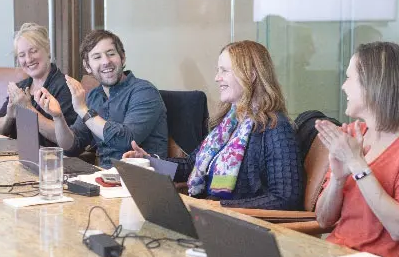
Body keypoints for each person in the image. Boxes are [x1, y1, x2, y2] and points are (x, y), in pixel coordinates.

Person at [123, 41, 302, 209]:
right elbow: (191, 164)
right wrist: (149, 161)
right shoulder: (229, 123)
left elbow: (285, 198)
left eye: (224, 71)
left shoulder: (276, 128)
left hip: (241, 226)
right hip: (211, 214)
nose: (217, 78)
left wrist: (219, 208)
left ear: (251, 75)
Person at [314, 41, 399, 257]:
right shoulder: (353, 133)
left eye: (350, 78)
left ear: (373, 84)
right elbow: (323, 220)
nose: (343, 86)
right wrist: (337, 179)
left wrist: (356, 164)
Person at [35, 29, 167, 167]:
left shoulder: (144, 91)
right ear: (87, 66)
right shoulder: (94, 96)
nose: (106, 61)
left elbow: (126, 140)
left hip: (141, 179)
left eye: (111, 54)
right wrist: (58, 117)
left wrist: (83, 109)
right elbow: (72, 147)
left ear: (122, 57)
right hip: (104, 178)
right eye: (97, 57)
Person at [0, 23, 77, 146]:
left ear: (47, 49)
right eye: (22, 55)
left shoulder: (65, 86)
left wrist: (27, 108)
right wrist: (9, 116)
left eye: (33, 51)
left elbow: (67, 139)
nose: (28, 59)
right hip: (18, 156)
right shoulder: (20, 87)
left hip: (51, 160)